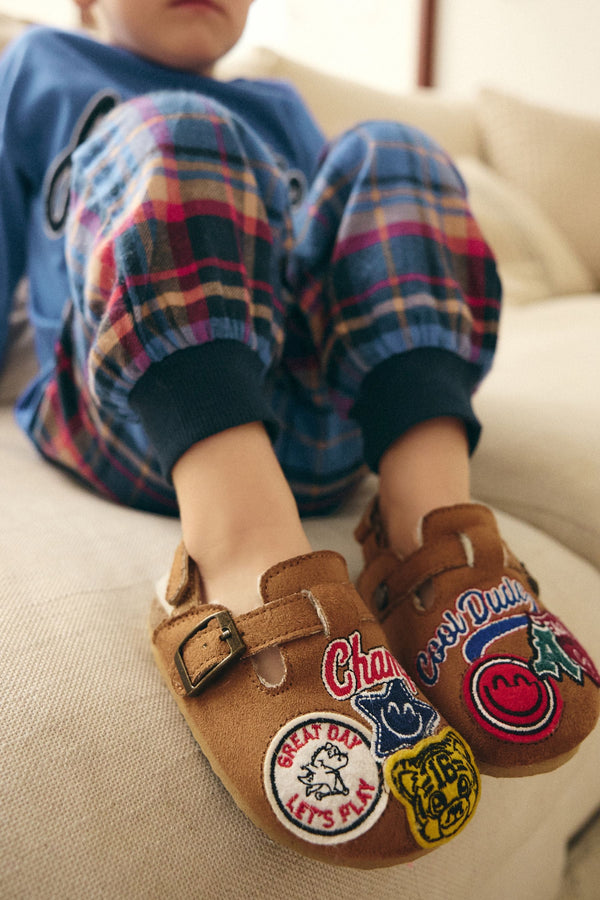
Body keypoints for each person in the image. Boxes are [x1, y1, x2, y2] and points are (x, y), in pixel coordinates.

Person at [1, 0, 598, 869]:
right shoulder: (41, 66)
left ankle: (430, 531)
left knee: (393, 152)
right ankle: (240, 548)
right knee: (177, 130)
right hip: (137, 410)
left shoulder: (279, 110)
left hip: (313, 422)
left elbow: (354, 267)